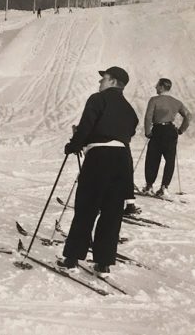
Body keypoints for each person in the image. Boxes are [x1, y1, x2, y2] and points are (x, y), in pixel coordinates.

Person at [58, 66, 138, 275]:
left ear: (112, 81)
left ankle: (72, 258)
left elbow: (86, 126)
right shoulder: (129, 109)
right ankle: (103, 262)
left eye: (103, 79)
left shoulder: (97, 99)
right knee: (112, 212)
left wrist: (74, 144)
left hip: (99, 158)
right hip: (122, 160)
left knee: (87, 207)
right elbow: (130, 131)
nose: (99, 82)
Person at [142, 78, 191, 198]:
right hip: (171, 131)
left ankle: (149, 186)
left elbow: (148, 117)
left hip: (158, 130)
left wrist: (148, 131)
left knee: (152, 159)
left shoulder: (154, 100)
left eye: (157, 85)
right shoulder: (176, 102)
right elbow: (188, 115)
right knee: (170, 160)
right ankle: (164, 187)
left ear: (162, 87)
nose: (155, 87)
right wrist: (180, 130)